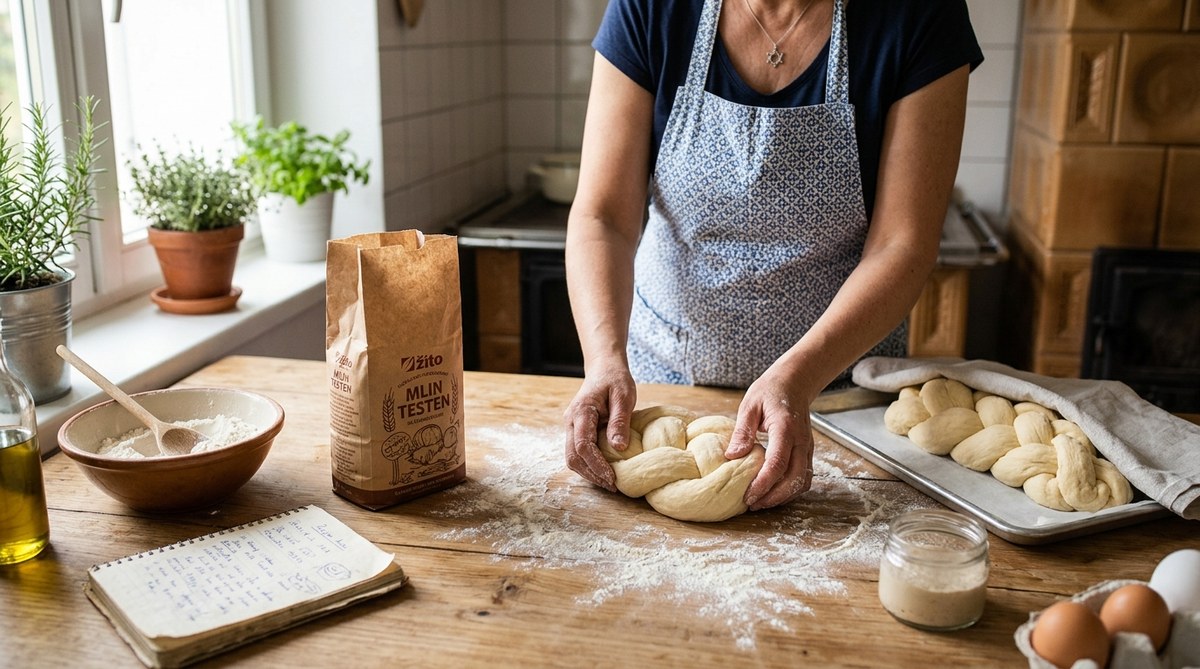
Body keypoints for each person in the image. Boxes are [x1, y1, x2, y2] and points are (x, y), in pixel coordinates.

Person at [562, 0, 983, 511]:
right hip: (662, 390)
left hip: (836, 398)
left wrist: (798, 378)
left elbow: (903, 245)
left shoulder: (918, 14)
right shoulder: (651, 7)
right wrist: (604, 359)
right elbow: (602, 216)